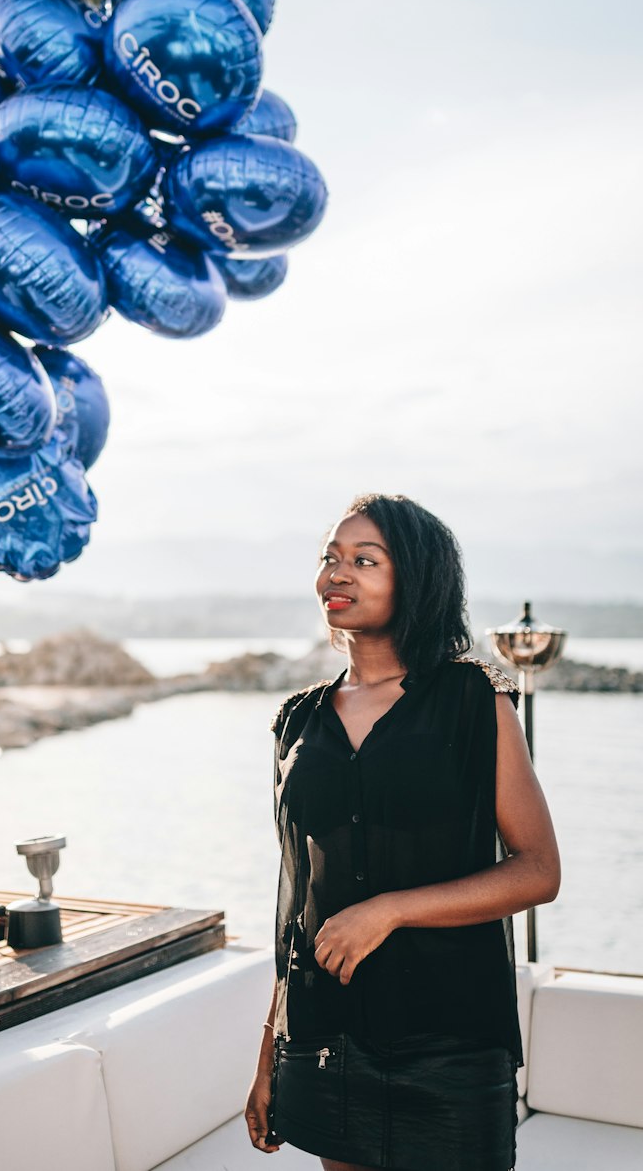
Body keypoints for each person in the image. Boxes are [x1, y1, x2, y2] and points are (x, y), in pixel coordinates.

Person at [245, 492, 561, 1171]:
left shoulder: (473, 700)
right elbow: (295, 904)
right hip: (326, 1039)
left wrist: (389, 912)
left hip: (450, 1042)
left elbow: (538, 870)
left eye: (365, 559)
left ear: (414, 576)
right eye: (330, 558)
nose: (338, 574)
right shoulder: (296, 722)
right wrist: (270, 1052)